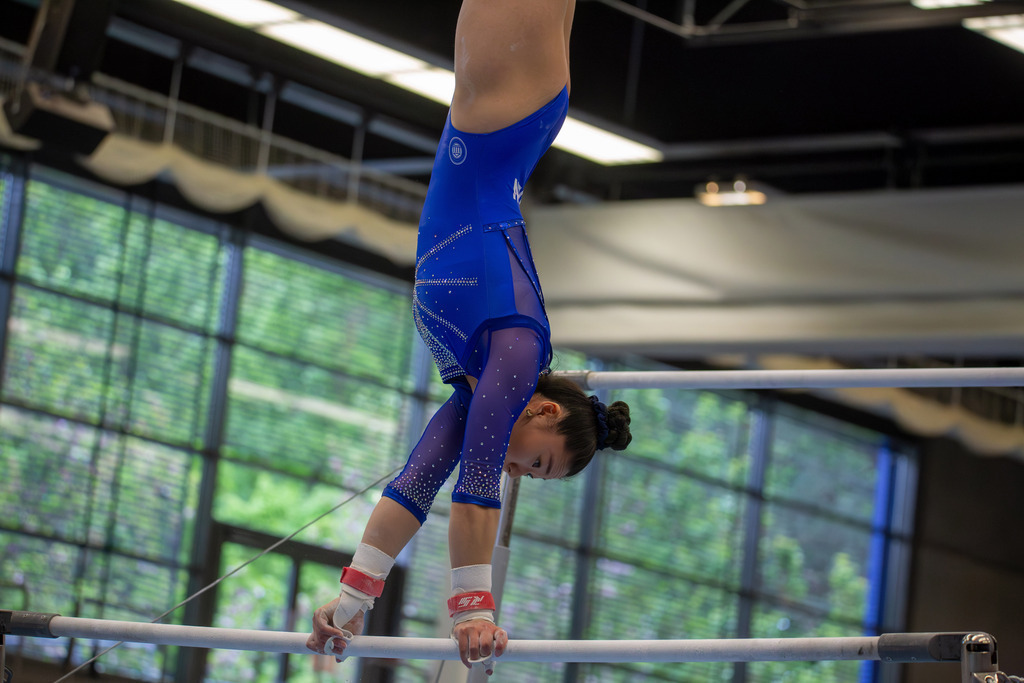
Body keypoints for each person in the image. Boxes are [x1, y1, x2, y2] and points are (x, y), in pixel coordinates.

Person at [306, 0, 632, 673]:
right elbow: (477, 485)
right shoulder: (513, 354)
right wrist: (473, 609)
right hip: (505, 120)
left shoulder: (479, 382)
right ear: (545, 410)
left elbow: (418, 481)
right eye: (538, 463)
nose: (520, 472)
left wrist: (350, 598)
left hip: (499, 121)